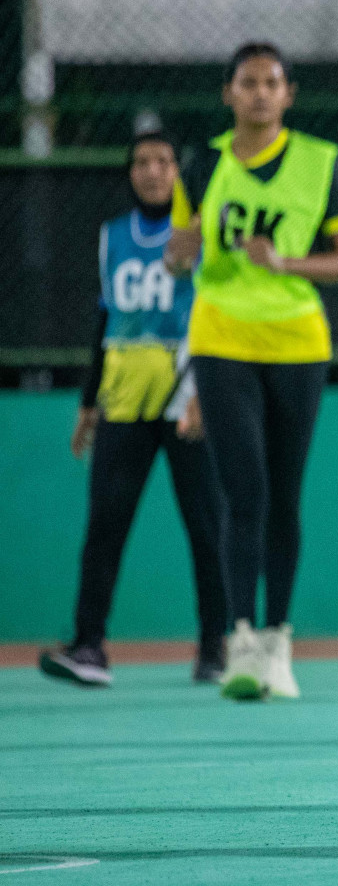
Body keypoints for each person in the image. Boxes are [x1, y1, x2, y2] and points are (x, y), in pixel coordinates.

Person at [164, 42, 338, 702]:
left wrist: (286, 264)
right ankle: (241, 639)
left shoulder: (319, 164)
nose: (259, 92)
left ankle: (279, 640)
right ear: (228, 93)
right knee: (243, 490)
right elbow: (175, 257)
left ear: (289, 94)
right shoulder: (201, 166)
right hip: (222, 337)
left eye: (271, 83)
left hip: (297, 342)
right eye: (247, 82)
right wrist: (180, 251)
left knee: (283, 492)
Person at [39, 131, 228, 688]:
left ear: (178, 171)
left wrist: (205, 392)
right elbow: (104, 321)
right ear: (129, 173)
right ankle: (90, 647)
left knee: (207, 528)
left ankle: (215, 648)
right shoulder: (112, 237)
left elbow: (215, 312)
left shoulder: (198, 236)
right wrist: (88, 400)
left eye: (164, 161)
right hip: (123, 402)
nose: (152, 171)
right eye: (141, 162)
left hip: (186, 397)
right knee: (105, 527)